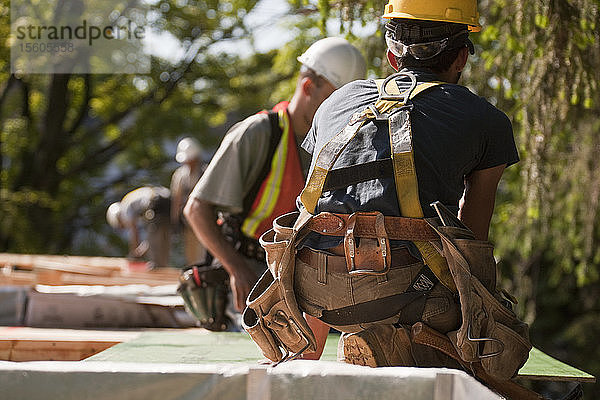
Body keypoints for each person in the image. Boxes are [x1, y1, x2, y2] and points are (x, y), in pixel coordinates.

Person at [292, 0, 520, 366]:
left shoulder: (337, 102)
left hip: (314, 291)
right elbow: (473, 235)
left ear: (392, 58)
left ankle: (310, 345)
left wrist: (312, 324)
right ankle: (401, 343)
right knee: (494, 335)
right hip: (407, 293)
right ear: (461, 57)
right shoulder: (485, 119)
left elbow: (316, 207)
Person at [184, 37, 367, 313]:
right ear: (308, 87)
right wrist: (236, 269)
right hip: (250, 278)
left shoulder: (341, 144)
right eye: (333, 101)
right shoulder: (258, 134)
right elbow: (197, 209)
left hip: (306, 281)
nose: (340, 113)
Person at [107, 186, 171, 268]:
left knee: (156, 245)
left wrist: (133, 253)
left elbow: (134, 233)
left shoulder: (125, 209)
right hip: (165, 200)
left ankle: (157, 267)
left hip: (155, 203)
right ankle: (162, 266)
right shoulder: (138, 209)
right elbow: (152, 235)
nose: (124, 226)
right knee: (162, 238)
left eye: (121, 225)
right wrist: (142, 248)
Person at [170, 137, 207, 265]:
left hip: (205, 220)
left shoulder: (205, 172)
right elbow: (177, 200)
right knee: (191, 255)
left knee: (205, 252)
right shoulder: (180, 176)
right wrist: (175, 221)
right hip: (188, 222)